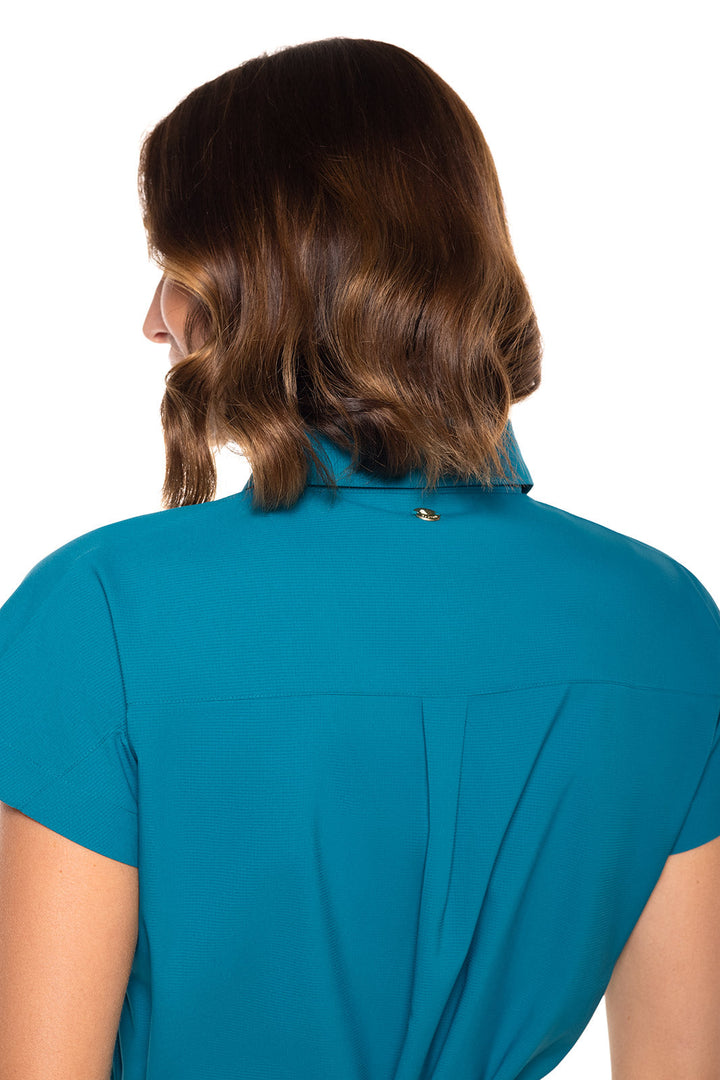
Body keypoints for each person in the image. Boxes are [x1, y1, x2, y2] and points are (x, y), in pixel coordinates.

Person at [1, 36, 719, 1080]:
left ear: (265, 275)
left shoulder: (100, 612)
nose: (155, 320)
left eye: (176, 268)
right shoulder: (666, 619)